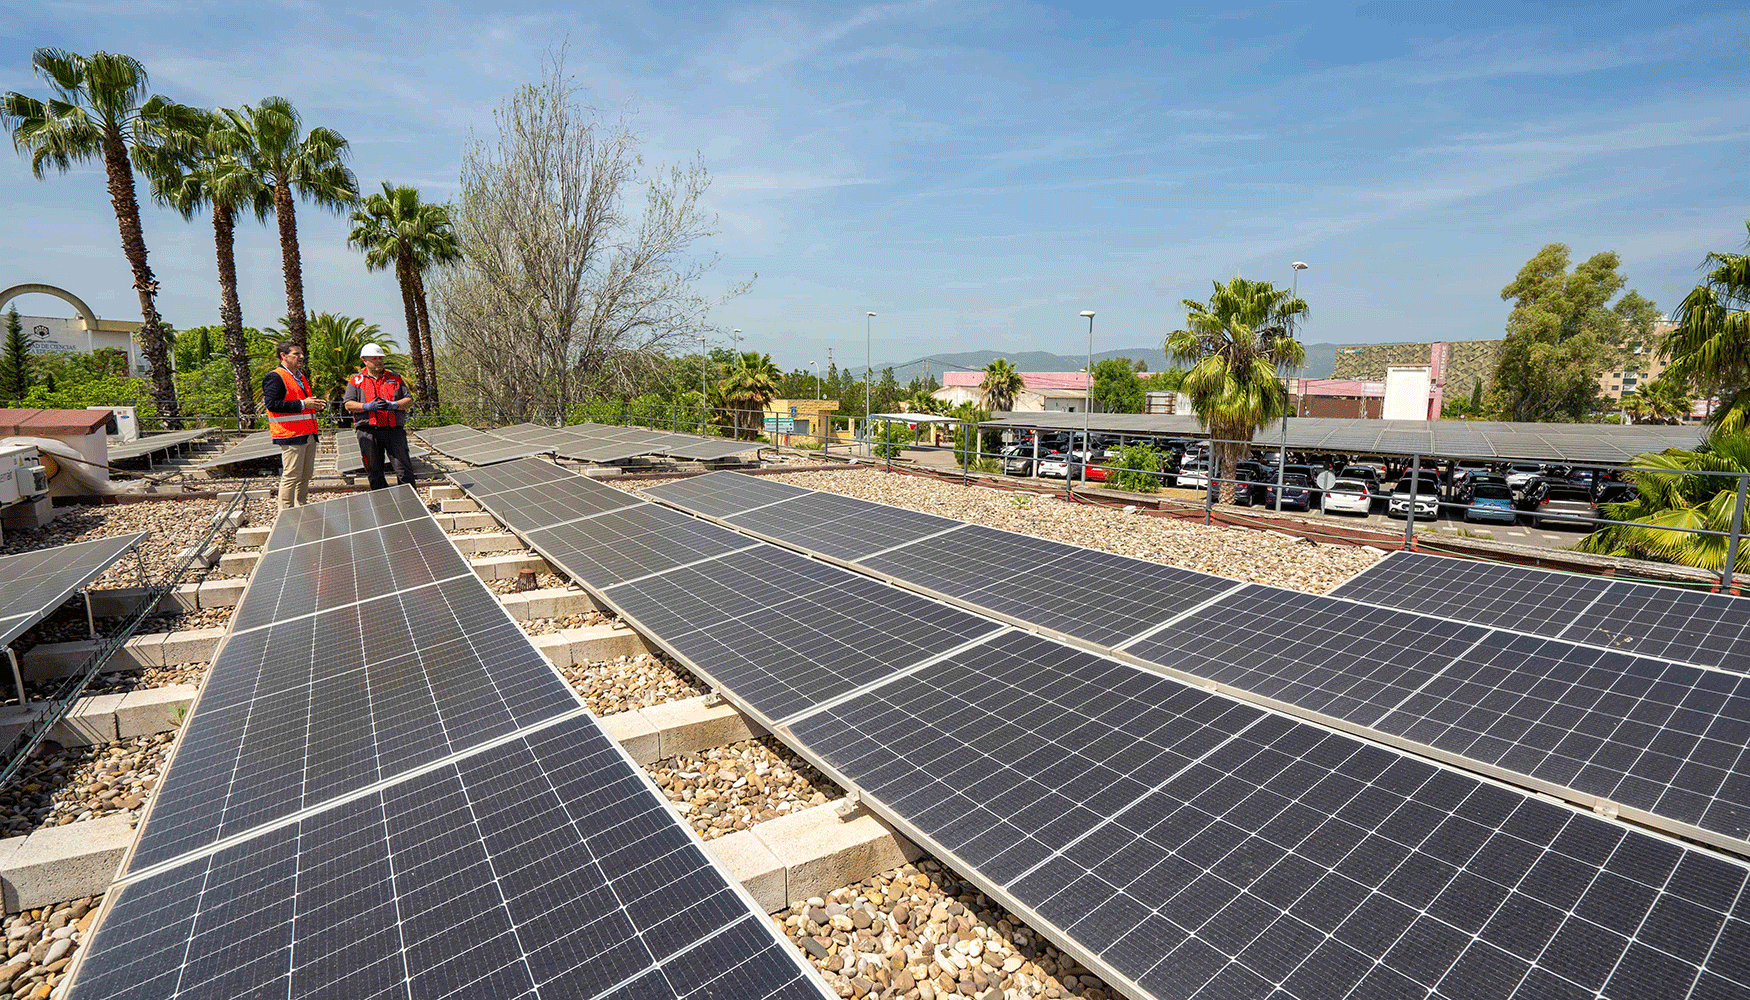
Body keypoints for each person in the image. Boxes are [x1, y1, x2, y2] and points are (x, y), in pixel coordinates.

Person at [263, 340, 325, 512]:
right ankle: (287, 512)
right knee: (291, 476)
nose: (301, 357)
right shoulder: (275, 376)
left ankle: (301, 506)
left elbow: (302, 403)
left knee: (306, 475)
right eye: (296, 354)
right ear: (283, 356)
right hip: (290, 434)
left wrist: (314, 405)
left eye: (301, 353)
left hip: (307, 433)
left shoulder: (300, 377)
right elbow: (272, 404)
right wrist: (303, 404)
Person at [343, 343, 416, 490]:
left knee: (403, 468)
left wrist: (394, 405)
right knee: (374, 470)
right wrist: (366, 407)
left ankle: (410, 504)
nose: (379, 361)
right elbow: (348, 404)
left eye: (380, 358)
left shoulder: (395, 378)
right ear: (365, 360)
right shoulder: (356, 380)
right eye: (374, 358)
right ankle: (382, 505)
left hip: (393, 430)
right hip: (368, 431)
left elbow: (409, 399)